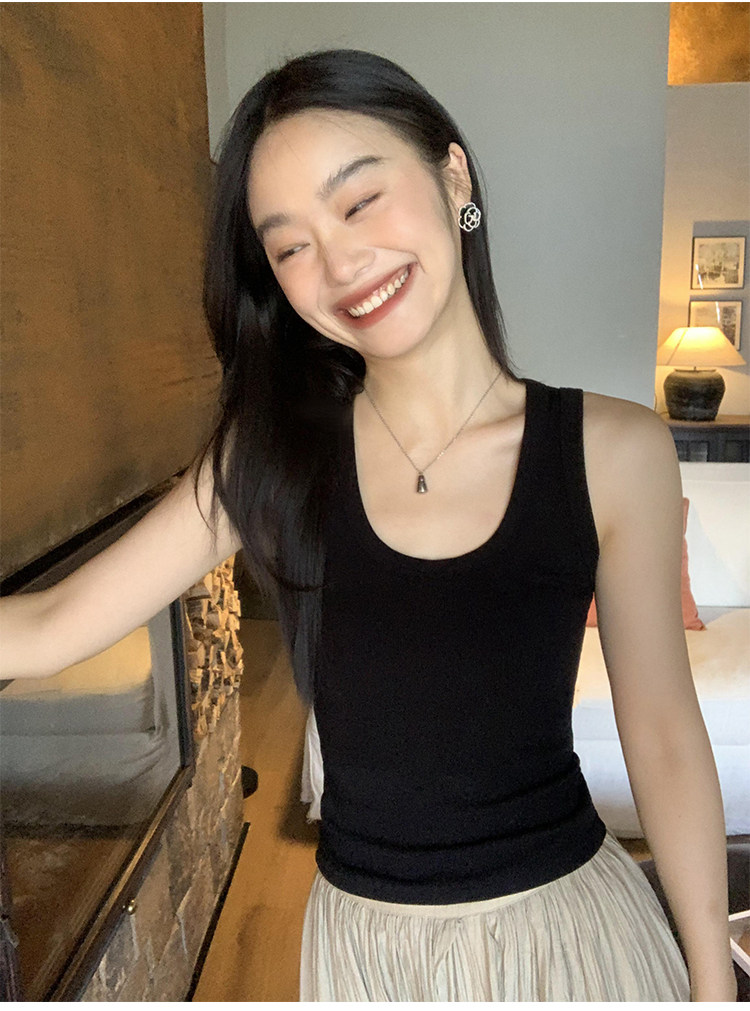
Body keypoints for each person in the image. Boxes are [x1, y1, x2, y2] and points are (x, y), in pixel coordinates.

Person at [0, 49, 736, 1002]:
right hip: (365, 959)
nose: (340, 264)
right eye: (290, 247)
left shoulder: (615, 450)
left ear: (453, 176)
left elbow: (665, 736)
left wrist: (712, 981)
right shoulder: (269, 459)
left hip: (569, 942)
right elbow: (50, 624)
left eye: (358, 201)